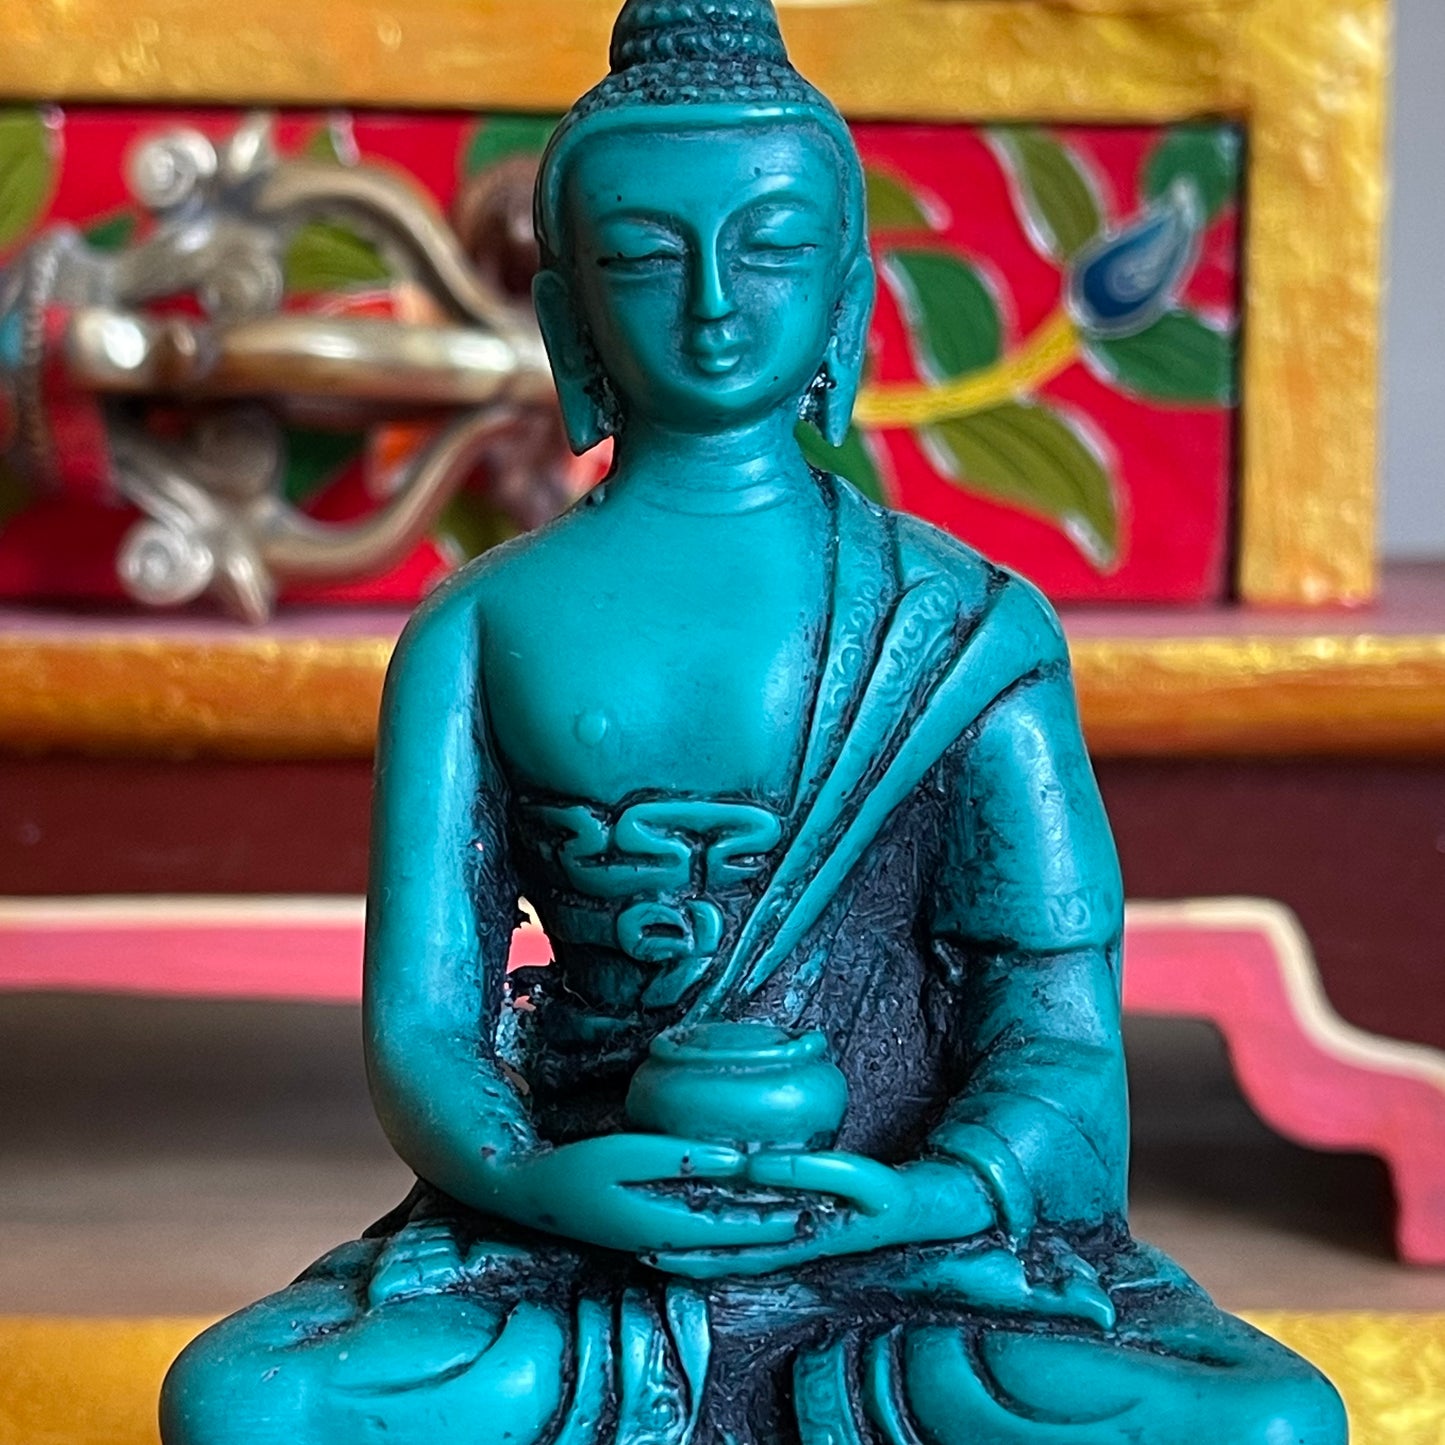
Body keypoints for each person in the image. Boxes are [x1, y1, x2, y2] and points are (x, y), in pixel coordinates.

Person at [160, 3, 1348, 1440]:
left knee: (1264, 1421)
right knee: (251, 1402)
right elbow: (424, 1029)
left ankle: (807, 1378)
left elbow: (1055, 1032)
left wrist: (929, 1192)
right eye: (647, 256)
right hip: (585, 1240)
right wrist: (537, 1179)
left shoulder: (968, 628)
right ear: (566, 315)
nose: (715, 302)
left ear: (847, 298)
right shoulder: (472, 630)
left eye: (772, 246)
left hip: (901, 1242)